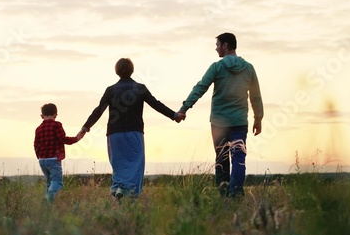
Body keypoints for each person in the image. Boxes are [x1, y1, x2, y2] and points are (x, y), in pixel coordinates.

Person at [79, 58, 184, 201]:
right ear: (132, 70)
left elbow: (98, 111)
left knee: (118, 165)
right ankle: (130, 197)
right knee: (135, 165)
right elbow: (156, 104)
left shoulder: (110, 90)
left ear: (117, 71)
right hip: (135, 132)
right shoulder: (140, 88)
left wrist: (86, 127)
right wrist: (174, 115)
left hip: (114, 134)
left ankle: (118, 189)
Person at [178, 32, 263, 198]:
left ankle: (224, 194)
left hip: (219, 124)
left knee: (222, 158)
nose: (216, 48)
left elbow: (200, 87)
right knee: (238, 158)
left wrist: (184, 108)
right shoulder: (249, 68)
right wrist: (258, 119)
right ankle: (236, 194)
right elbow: (256, 96)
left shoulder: (217, 67)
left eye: (217, 45)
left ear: (225, 45)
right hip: (239, 122)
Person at [34, 103, 84, 202]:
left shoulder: (38, 129)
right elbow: (62, 139)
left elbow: (36, 144)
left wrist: (39, 156)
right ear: (55, 115)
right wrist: (76, 139)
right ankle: (48, 197)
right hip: (53, 159)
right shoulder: (57, 125)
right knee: (57, 182)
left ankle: (48, 204)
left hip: (42, 160)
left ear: (42, 116)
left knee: (49, 182)